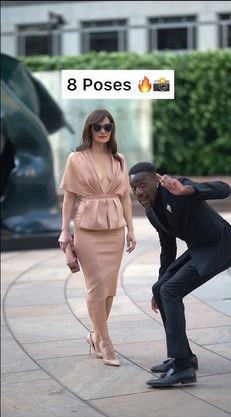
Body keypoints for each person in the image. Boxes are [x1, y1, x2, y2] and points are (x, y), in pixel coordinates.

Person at [129, 162, 231, 387]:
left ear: (156, 181)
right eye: (134, 187)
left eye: (142, 185)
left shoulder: (177, 188)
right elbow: (168, 251)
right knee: (161, 289)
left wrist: (188, 190)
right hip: (199, 248)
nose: (138, 192)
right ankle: (184, 356)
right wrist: (158, 283)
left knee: (170, 291)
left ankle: (182, 367)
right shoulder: (151, 211)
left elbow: (223, 188)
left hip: (220, 244)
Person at [58, 109, 136, 367]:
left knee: (110, 289)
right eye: (98, 127)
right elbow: (69, 196)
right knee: (96, 287)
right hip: (87, 230)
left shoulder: (120, 160)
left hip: (115, 230)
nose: (103, 131)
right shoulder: (76, 159)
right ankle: (106, 342)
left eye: (108, 127)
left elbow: (125, 196)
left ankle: (94, 336)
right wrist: (64, 231)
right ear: (89, 129)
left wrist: (131, 230)